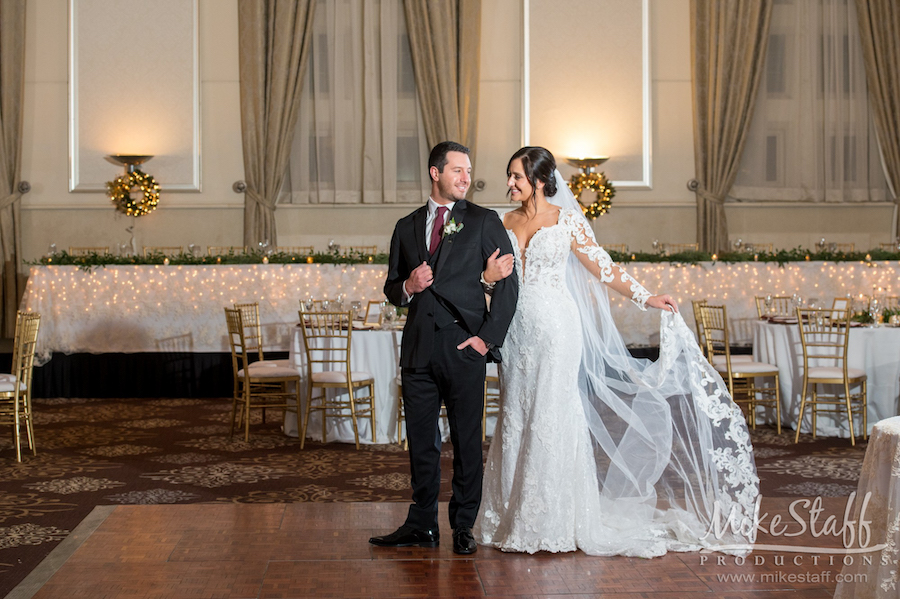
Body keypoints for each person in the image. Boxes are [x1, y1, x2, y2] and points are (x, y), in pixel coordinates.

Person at [474, 146, 759, 557]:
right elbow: (496, 280)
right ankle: (509, 513)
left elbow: (604, 268)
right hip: (516, 333)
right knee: (517, 414)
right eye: (509, 176)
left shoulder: (566, 220)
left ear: (538, 180)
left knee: (550, 415)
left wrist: (647, 298)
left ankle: (549, 519)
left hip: (557, 329)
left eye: (516, 177)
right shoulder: (502, 222)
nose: (510, 184)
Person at [370, 141, 519, 555]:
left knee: (468, 442)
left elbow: (508, 288)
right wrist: (407, 287)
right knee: (422, 441)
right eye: (457, 170)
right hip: (418, 349)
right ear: (435, 173)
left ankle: (463, 526)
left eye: (468, 171)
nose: (466, 178)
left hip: (464, 348)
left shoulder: (485, 221)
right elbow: (392, 289)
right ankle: (421, 523)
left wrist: (485, 340)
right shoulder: (406, 226)